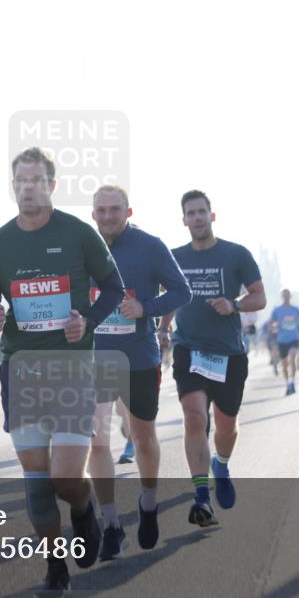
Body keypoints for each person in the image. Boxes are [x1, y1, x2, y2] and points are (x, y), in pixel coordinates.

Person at [0, 147, 124, 595]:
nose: (28, 189)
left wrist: (88, 322)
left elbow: (114, 289)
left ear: (52, 185)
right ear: (13, 186)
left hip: (73, 369)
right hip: (22, 371)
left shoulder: (78, 234)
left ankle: (83, 510)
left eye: (36, 181)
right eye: (21, 181)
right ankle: (55, 565)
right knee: (38, 482)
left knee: (65, 477)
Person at [88, 185, 191, 559]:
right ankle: (111, 524)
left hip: (139, 358)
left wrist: (145, 308)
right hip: (95, 359)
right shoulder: (82, 246)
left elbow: (182, 291)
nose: (108, 216)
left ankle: (148, 502)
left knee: (143, 438)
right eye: (101, 210)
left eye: (115, 209)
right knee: (97, 440)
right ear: (93, 214)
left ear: (128, 211)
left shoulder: (150, 246)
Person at [159, 190, 265, 528]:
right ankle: (202, 497)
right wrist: (163, 327)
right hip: (189, 349)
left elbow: (260, 297)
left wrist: (234, 305)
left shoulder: (236, 254)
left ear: (212, 216)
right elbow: (171, 297)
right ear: (184, 220)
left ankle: (221, 463)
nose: (197, 218)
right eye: (191, 213)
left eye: (202, 211)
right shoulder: (174, 257)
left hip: (229, 353)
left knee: (226, 425)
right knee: (194, 418)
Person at [271, 289, 299, 395]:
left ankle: (292, 381)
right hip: (282, 340)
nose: (286, 297)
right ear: (282, 297)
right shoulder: (277, 310)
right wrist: (275, 325)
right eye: (284, 296)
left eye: (287, 295)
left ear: (290, 296)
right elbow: (272, 323)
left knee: (292, 359)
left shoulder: (296, 309)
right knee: (284, 364)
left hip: (294, 338)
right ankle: (288, 383)